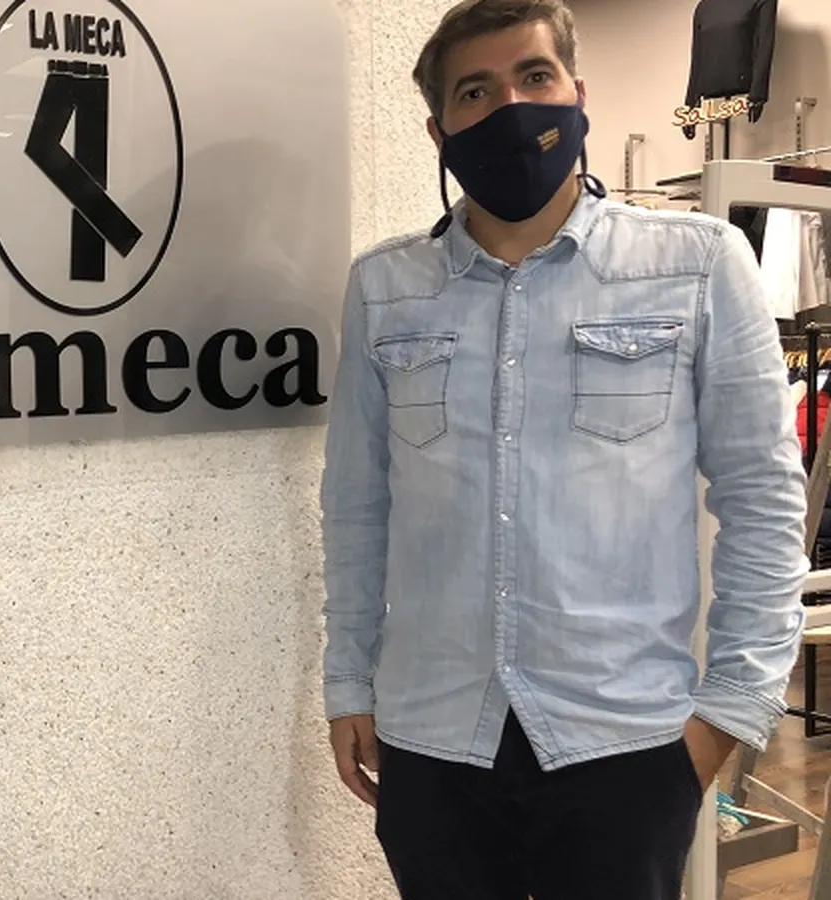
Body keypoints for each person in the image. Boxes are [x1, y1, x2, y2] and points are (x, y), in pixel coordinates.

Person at [320, 1, 808, 897]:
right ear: (439, 130)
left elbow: (764, 499)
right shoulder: (385, 288)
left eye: (535, 77)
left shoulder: (698, 265)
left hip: (624, 740)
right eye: (476, 91)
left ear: (578, 94)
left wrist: (729, 713)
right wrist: (348, 682)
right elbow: (357, 504)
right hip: (432, 738)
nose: (511, 107)